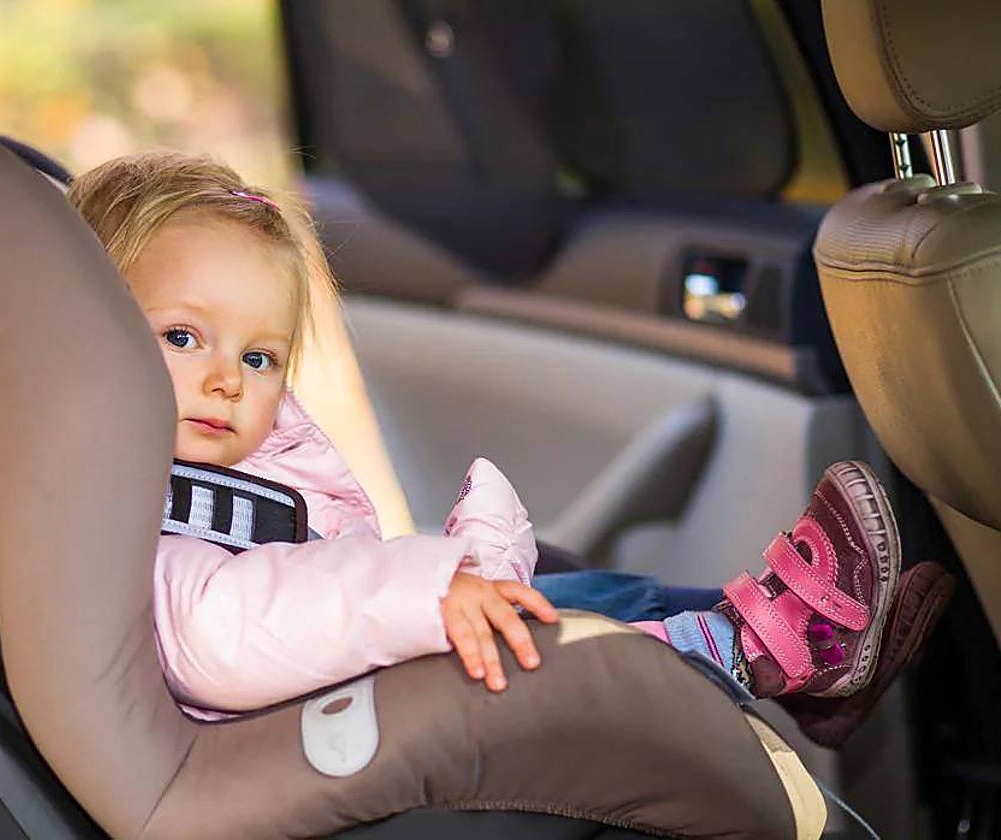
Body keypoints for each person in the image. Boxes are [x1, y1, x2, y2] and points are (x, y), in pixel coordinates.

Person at [67, 152, 950, 746]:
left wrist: (424, 583)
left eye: (259, 357)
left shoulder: (191, 473)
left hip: (355, 656)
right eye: (183, 338)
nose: (229, 380)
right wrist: (424, 589)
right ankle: (762, 647)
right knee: (568, 642)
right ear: (85, 332)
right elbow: (227, 628)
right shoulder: (136, 517)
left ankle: (791, 649)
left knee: (575, 589)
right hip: (332, 720)